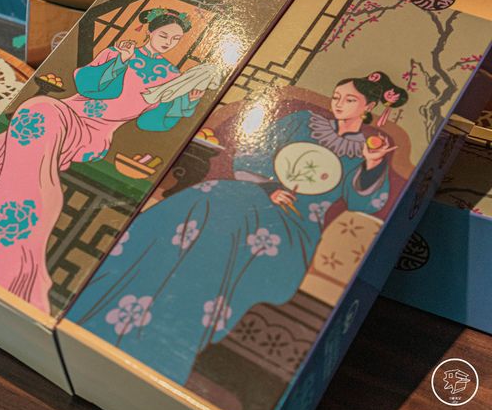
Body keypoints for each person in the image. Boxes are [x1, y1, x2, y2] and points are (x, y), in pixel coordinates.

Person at [68, 71, 408, 386]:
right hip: (253, 194)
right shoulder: (302, 121)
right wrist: (269, 187)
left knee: (232, 229)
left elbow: (366, 203)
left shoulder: (365, 151)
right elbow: (250, 155)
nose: (338, 103)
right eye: (336, 96)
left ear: (369, 106)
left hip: (295, 222)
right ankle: (111, 302)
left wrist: (373, 165)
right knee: (208, 198)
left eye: (349, 99)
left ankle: (169, 341)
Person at [0, 8, 213, 313]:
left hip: (92, 132)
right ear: (150, 31)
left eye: (175, 39)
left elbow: (153, 123)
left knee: (38, 109)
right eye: (164, 35)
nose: (168, 42)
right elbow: (87, 87)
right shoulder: (119, 52)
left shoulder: (171, 76)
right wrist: (119, 62)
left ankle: (11, 239)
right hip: (67, 111)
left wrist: (188, 100)